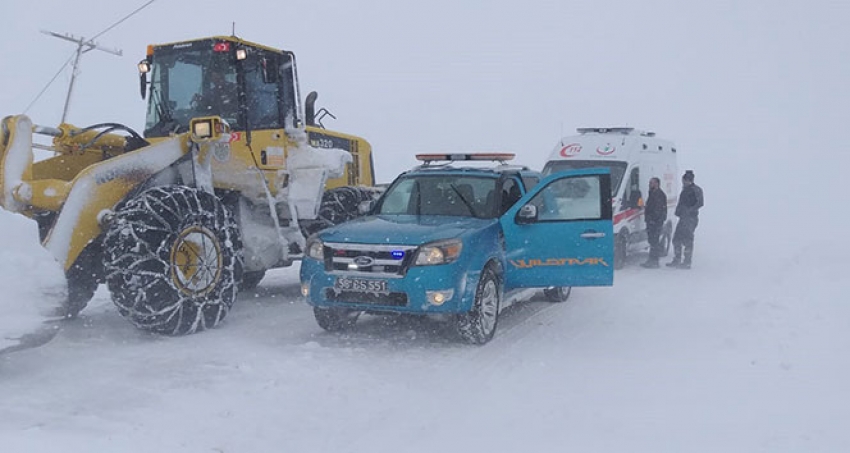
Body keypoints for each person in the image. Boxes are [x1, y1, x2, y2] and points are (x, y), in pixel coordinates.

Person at [667, 170, 704, 269]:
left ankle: (687, 261)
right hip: (683, 218)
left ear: (689, 180)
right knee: (676, 239)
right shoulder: (686, 190)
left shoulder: (695, 190)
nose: (683, 182)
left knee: (687, 240)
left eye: (685, 180)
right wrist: (679, 212)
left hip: (690, 218)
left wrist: (689, 210)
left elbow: (700, 203)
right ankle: (677, 258)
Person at [640, 177, 667, 268]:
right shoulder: (652, 193)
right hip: (652, 221)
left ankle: (654, 261)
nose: (649, 184)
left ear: (657, 184)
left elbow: (658, 209)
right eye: (649, 182)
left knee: (654, 241)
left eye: (651, 183)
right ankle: (652, 260)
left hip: (655, 222)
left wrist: (652, 220)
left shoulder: (659, 194)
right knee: (652, 241)